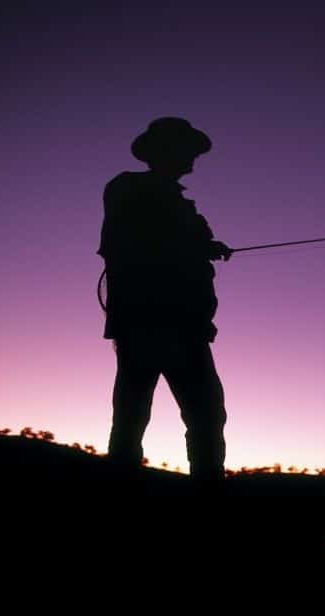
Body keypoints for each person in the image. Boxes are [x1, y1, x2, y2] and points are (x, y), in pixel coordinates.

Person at [97, 116, 233, 484]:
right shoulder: (126, 187)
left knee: (204, 416)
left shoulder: (182, 206)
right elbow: (125, 245)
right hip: (148, 323)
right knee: (136, 418)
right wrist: (195, 246)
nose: (193, 159)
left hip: (185, 327)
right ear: (165, 151)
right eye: (186, 150)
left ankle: (207, 497)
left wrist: (203, 247)